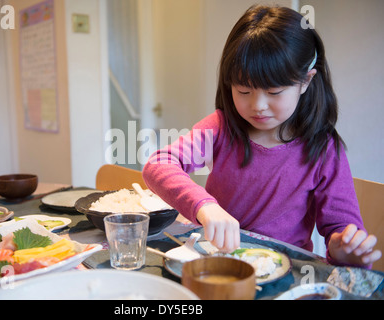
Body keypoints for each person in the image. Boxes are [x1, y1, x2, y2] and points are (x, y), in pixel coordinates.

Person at [142, 5, 381, 268]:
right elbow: (159, 164)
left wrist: (344, 250)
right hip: (219, 265)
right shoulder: (221, 127)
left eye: (274, 91)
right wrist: (204, 206)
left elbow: (342, 230)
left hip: (285, 273)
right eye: (243, 90)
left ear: (306, 81)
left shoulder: (324, 149)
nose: (258, 105)